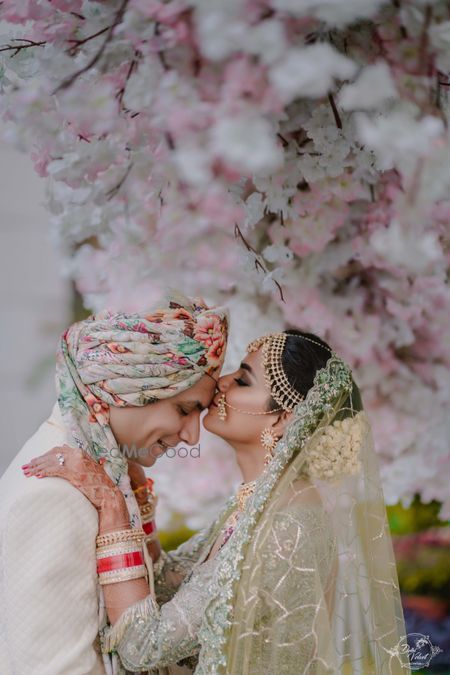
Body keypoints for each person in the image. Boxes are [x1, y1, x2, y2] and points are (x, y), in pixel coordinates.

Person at [23, 330, 411, 674]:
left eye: (242, 380)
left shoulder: (287, 526)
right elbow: (168, 586)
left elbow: (144, 646)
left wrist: (112, 510)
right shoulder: (262, 502)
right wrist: (136, 499)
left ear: (283, 420)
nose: (221, 383)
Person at [0, 293, 228, 675]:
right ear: (128, 387)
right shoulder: (54, 492)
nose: (192, 436)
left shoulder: (100, 473)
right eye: (185, 409)